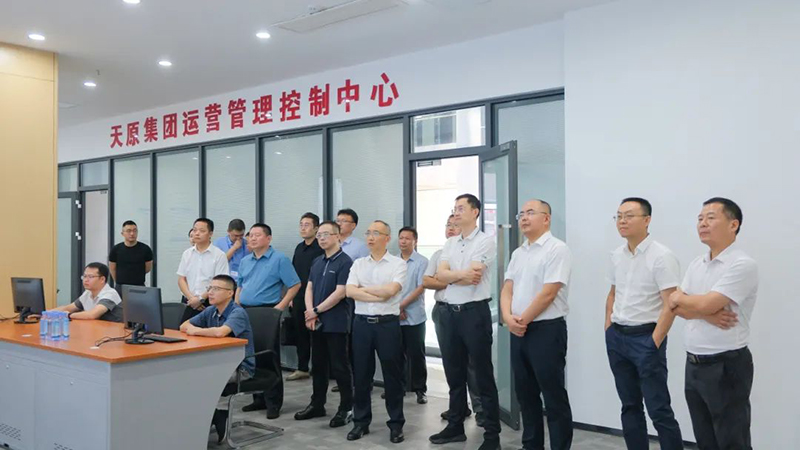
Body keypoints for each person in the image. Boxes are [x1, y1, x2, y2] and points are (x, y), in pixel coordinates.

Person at [669, 198, 757, 450]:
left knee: (732, 441)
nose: (702, 224)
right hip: (694, 362)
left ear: (733, 224)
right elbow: (676, 307)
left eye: (710, 217)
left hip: (726, 365)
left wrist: (686, 301)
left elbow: (700, 303)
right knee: (705, 439)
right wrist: (705, 313)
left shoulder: (742, 264)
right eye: (700, 219)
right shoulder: (697, 263)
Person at [605, 197, 683, 450]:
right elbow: (613, 294)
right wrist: (608, 329)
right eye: (619, 216)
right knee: (629, 406)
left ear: (647, 220)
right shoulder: (617, 255)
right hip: (617, 338)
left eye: (629, 216)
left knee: (659, 409)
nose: (622, 221)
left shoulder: (662, 256)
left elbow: (671, 303)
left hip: (646, 338)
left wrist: (654, 342)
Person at [430, 193, 501, 450]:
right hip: (450, 314)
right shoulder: (450, 243)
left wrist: (450, 275)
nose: (456, 213)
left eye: (461, 208)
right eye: (454, 208)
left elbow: (474, 275)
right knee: (454, 373)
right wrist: (456, 275)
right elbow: (440, 275)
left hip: (474, 313)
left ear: (475, 212)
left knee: (482, 375)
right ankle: (455, 426)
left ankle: (492, 435)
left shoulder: (486, 241)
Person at [501, 199, 573, 450]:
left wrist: (521, 320)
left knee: (553, 396)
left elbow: (548, 293)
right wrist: (508, 318)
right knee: (525, 394)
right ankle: (531, 445)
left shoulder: (557, 249)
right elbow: (507, 288)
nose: (524, 217)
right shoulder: (518, 253)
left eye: (530, 212)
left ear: (546, 218)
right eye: (521, 213)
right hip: (518, 330)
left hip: (546, 330)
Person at [345, 220, 407, 444]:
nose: (370, 237)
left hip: (387, 325)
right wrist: (377, 293)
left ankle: (396, 424)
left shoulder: (398, 264)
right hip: (361, 324)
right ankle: (361, 422)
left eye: (376, 233)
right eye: (368, 233)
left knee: (392, 375)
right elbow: (350, 292)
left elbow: (391, 291)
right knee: (361, 375)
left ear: (387, 238)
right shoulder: (359, 264)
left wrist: (365, 290)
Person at [180, 274, 255, 444]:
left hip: (240, 368)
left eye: (216, 289)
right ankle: (212, 416)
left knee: (196, 380)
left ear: (230, 293)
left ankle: (214, 417)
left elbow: (221, 332)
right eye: (210, 288)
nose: (210, 292)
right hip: (217, 363)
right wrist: (198, 330)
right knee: (185, 377)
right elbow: (184, 326)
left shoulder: (237, 312)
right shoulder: (211, 310)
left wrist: (196, 331)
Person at [236, 223, 301, 419]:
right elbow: (240, 285)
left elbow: (295, 285)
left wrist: (280, 307)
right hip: (245, 311)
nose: (252, 238)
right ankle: (258, 399)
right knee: (250, 355)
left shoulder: (279, 259)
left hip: (267, 311)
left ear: (268, 238)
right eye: (250, 235)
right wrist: (237, 304)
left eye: (257, 235)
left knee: (269, 357)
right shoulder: (245, 260)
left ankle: (273, 402)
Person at [293, 221, 355, 428]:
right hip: (316, 321)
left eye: (326, 234)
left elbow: (341, 292)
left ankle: (346, 408)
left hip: (336, 322)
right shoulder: (317, 261)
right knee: (318, 366)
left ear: (338, 236)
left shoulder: (345, 262)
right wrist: (310, 312)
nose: (321, 238)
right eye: (319, 235)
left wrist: (316, 310)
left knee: (339, 366)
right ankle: (317, 404)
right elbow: (309, 287)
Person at [424, 215, 484, 424]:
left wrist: (445, 277)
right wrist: (455, 279)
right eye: (448, 225)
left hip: (467, 311)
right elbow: (426, 281)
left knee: (473, 364)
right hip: (443, 311)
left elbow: (473, 279)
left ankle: (481, 409)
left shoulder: (473, 253)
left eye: (455, 225)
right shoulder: (439, 254)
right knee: (451, 364)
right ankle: (457, 408)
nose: (450, 228)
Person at [288, 212, 324, 382]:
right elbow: (293, 273)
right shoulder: (299, 248)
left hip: (316, 299)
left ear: (316, 229)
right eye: (301, 224)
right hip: (298, 297)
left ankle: (320, 370)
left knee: (316, 336)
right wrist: (290, 296)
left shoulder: (320, 248)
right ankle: (302, 368)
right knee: (300, 334)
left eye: (307, 225)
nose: (303, 228)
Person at [396, 226, 429, 404]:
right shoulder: (392, 261)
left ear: (415, 241)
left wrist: (402, 306)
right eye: (401, 238)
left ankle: (420, 389)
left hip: (414, 315)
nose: (403, 241)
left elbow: (421, 287)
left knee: (416, 354)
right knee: (396, 354)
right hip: (394, 314)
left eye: (407, 238)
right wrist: (396, 308)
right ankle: (398, 388)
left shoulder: (422, 261)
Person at [177, 218, 229, 315]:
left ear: (210, 234)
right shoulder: (187, 253)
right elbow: (181, 279)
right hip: (188, 301)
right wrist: (192, 299)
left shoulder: (219, 255)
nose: (197, 233)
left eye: (202, 231)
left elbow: (220, 283)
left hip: (209, 302)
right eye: (195, 230)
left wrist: (200, 299)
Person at [54, 262, 122, 322]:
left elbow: (92, 314)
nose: (86, 280)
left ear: (102, 279)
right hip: (96, 328)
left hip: (114, 330)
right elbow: (68, 308)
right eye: (85, 276)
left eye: (90, 277)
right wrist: (48, 313)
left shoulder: (110, 294)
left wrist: (68, 315)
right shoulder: (87, 293)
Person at [108, 220, 153, 290]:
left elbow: (147, 268)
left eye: (135, 231)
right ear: (122, 233)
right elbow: (112, 269)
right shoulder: (116, 249)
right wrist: (118, 282)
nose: (132, 233)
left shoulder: (145, 249)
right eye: (128, 231)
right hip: (121, 286)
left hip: (139, 286)